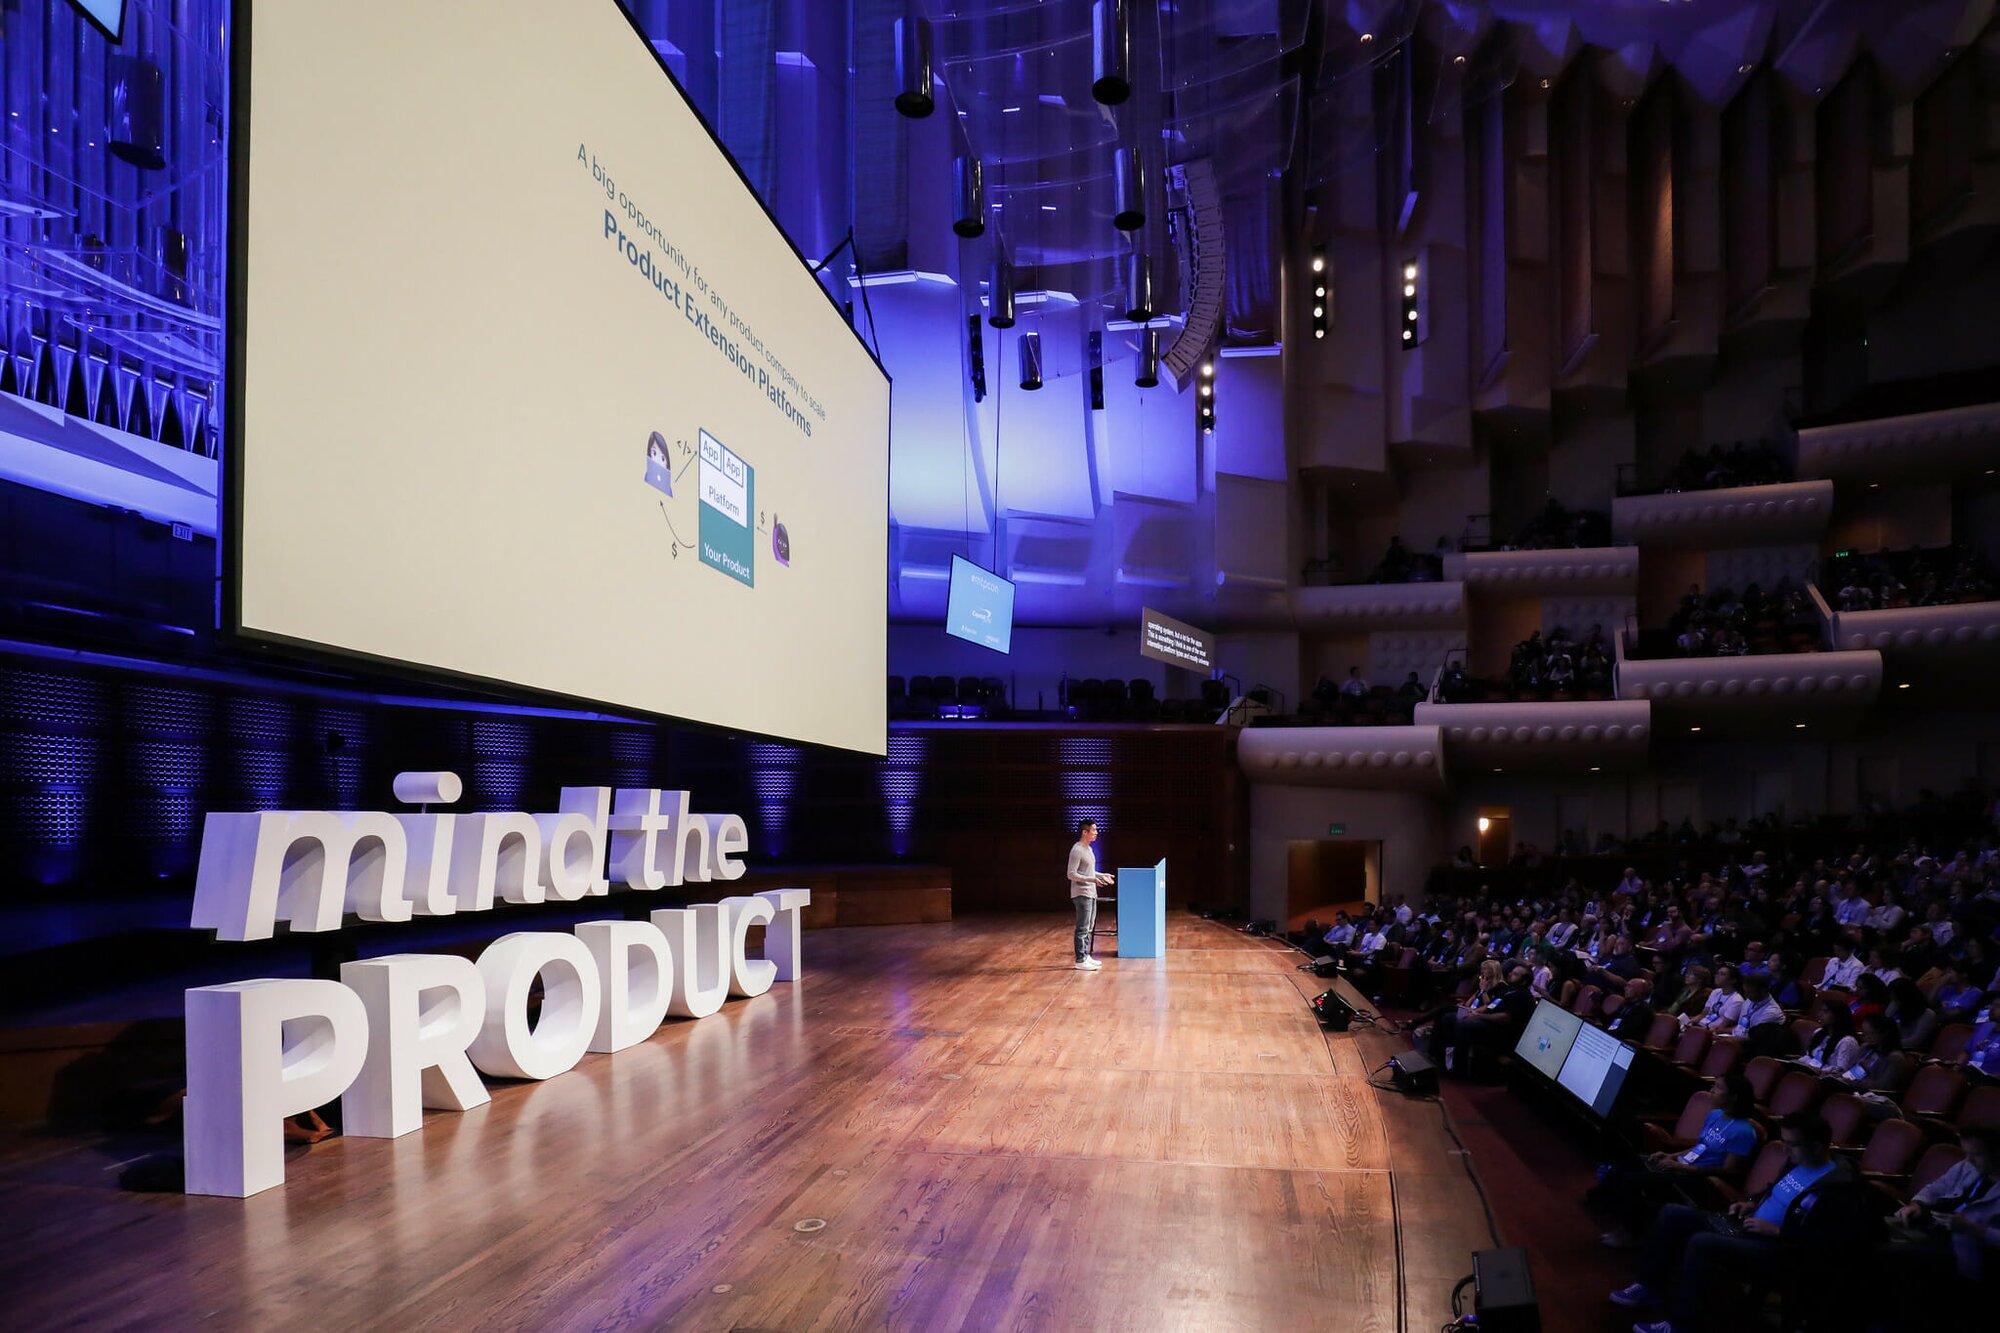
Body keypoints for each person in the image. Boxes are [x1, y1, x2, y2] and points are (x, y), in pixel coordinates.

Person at [1612, 1111, 1859, 1333]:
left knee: (1702, 1243)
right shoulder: (1797, 1160)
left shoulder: (1838, 1188)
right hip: (1750, 1228)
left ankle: (1680, 1324)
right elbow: (1773, 1190)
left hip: (1782, 1251)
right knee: (1673, 1213)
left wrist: (1777, 1231)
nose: (1785, 1149)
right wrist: (1751, 1203)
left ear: (1816, 1147)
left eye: (1791, 1144)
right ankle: (1649, 1287)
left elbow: (1828, 1242)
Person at [1591, 1074, 1761, 1248]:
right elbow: (1699, 1147)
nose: (1712, 1091)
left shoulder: (1745, 1132)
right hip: (1681, 1165)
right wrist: (1670, 1155)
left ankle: (1631, 1233)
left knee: (1632, 1181)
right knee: (1628, 1163)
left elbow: (1728, 1170)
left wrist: (1681, 1167)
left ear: (1734, 1097)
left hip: (1698, 1179)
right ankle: (1613, 1214)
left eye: (1718, 1088)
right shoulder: (1715, 1115)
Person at [1066, 819, 1114, 970]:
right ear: (1084, 832)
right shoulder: (1077, 850)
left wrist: (1100, 875)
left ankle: (1086, 956)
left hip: (1091, 892)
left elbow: (1088, 871)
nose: (1096, 832)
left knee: (1090, 926)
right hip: (1081, 893)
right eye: (1093, 830)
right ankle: (1080, 959)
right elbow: (1071, 874)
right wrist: (1093, 879)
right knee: (1082, 927)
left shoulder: (1089, 849)